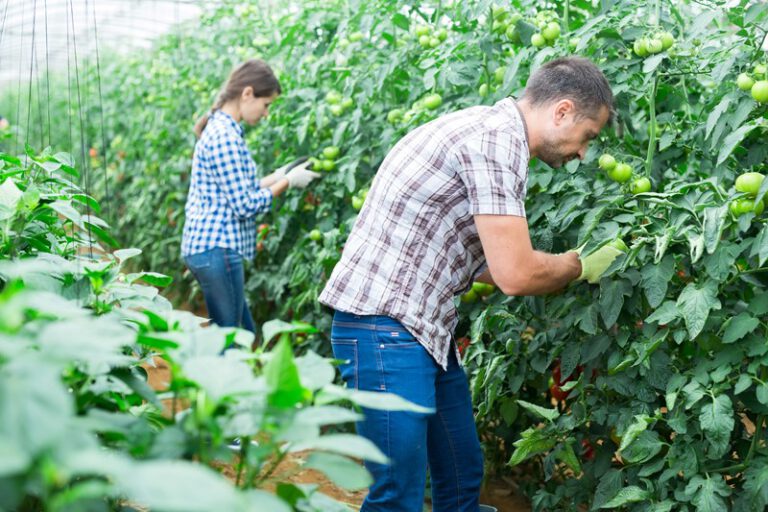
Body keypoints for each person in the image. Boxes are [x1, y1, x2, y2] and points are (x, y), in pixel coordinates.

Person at [318, 57, 618, 511]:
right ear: (561, 111)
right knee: (396, 493)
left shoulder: (492, 131)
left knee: (460, 475)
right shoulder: (496, 143)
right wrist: (580, 265)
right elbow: (514, 275)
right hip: (383, 328)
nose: (583, 153)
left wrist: (544, 266)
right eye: (587, 137)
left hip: (422, 329)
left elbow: (486, 264)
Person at [182, 59, 320, 336]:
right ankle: (216, 379)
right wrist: (287, 183)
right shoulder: (225, 137)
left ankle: (225, 377)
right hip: (216, 248)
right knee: (233, 339)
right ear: (247, 94)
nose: (266, 113)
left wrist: (279, 174)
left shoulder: (224, 131)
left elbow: (237, 188)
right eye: (266, 104)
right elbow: (245, 205)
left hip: (210, 248)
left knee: (241, 331)